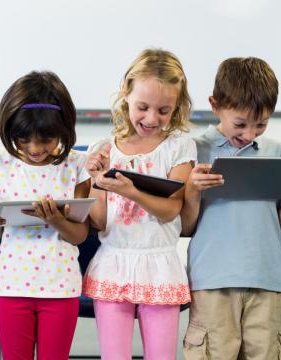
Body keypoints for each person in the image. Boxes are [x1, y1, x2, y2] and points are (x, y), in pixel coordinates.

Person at [180, 57, 281, 360]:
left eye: (262, 124)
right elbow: (186, 227)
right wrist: (192, 189)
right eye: (240, 124)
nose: (250, 134)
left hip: (266, 279)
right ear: (215, 105)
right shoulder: (193, 150)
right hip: (212, 279)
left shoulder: (278, 152)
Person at [83, 48, 195, 359]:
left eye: (164, 110)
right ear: (126, 94)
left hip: (159, 264)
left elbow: (172, 209)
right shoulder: (104, 148)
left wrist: (131, 191)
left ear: (177, 107)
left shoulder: (179, 146)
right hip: (114, 263)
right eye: (143, 107)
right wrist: (95, 179)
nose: (151, 118)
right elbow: (100, 220)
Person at [0, 70, 90, 360]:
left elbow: (80, 235)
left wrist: (56, 220)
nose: (35, 149)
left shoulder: (77, 165)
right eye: (23, 139)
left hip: (61, 286)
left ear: (64, 128)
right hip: (12, 285)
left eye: (47, 140)